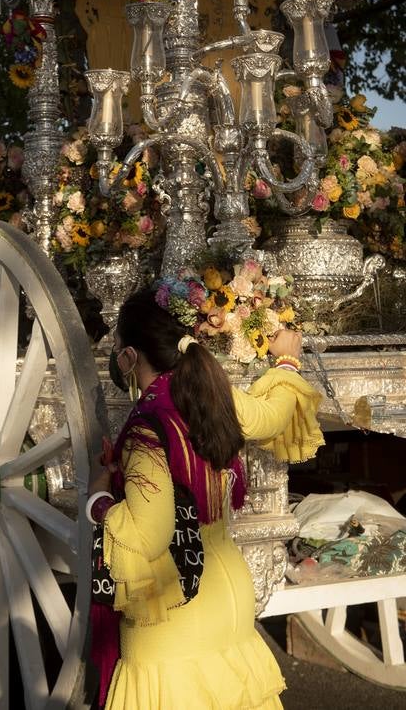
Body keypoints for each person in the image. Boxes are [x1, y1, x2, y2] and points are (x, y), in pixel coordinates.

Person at [88, 287, 324, 710]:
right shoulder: (212, 394)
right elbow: (270, 415)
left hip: (175, 612)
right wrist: (287, 361)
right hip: (228, 602)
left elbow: (147, 534)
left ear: (128, 358)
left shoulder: (147, 428)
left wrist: (97, 498)